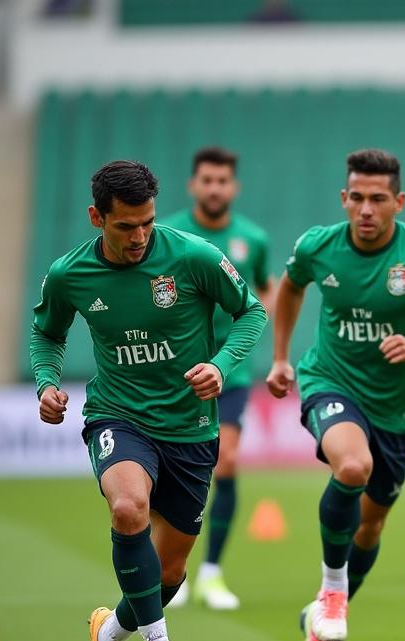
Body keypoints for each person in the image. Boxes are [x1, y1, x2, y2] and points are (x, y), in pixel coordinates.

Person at [30, 160, 266, 641]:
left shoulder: (193, 256)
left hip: (190, 427)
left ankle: (107, 639)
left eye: (147, 224)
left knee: (169, 574)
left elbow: (250, 312)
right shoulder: (70, 275)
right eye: (125, 227)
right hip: (118, 416)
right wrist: (45, 384)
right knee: (129, 507)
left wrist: (223, 363)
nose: (139, 238)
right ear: (97, 217)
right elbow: (46, 334)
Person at [265, 149, 405, 641]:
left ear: (398, 203)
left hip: (399, 410)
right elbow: (289, 289)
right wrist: (282, 356)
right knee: (351, 468)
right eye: (356, 197)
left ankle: (321, 623)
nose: (365, 208)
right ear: (344, 198)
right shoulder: (317, 246)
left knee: (372, 523)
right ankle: (332, 591)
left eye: (378, 199)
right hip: (330, 380)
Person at [158, 147, 273, 610]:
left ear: (234, 187)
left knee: (224, 462)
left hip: (230, 372)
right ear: (193, 185)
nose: (214, 188)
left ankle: (211, 572)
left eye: (222, 181)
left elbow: (264, 291)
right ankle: (174, 570)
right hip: (171, 373)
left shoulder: (252, 239)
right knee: (165, 473)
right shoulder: (165, 233)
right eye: (206, 180)